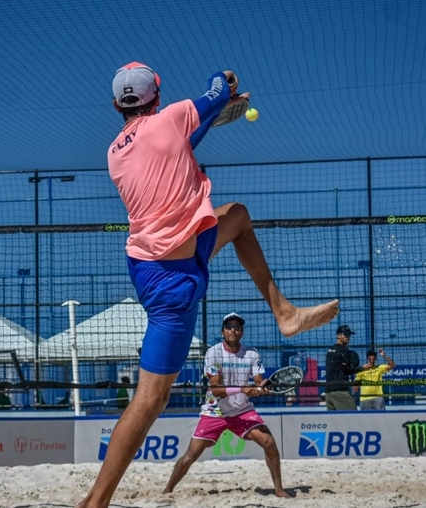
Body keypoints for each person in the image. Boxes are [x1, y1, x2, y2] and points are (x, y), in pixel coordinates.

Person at [75, 63, 339, 508]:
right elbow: (219, 88)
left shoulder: (115, 152)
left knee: (236, 216)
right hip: (173, 284)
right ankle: (95, 502)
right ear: (157, 95)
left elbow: (176, 142)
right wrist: (225, 82)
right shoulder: (173, 117)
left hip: (157, 260)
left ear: (116, 106)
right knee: (149, 401)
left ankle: (285, 314)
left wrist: (213, 112)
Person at [162, 313, 290, 498]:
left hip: (242, 411)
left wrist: (261, 388)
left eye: (237, 328)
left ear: (242, 333)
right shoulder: (213, 353)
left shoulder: (251, 353)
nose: (233, 330)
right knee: (191, 454)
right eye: (229, 327)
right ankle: (168, 489)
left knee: (269, 442)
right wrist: (243, 389)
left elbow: (258, 381)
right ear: (222, 331)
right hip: (215, 411)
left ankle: (278, 489)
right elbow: (216, 389)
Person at [325, 325, 366, 411]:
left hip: (328, 392)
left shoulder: (330, 350)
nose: (348, 337)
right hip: (341, 391)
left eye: (349, 335)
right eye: (346, 335)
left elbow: (342, 369)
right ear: (338, 336)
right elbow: (347, 371)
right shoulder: (345, 350)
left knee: (335, 423)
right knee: (353, 419)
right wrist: (361, 368)